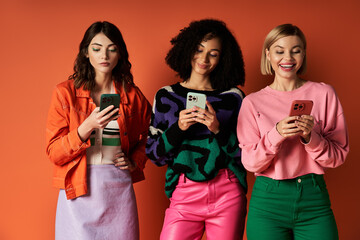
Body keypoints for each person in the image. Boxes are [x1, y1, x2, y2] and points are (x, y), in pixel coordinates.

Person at [236, 23, 349, 240]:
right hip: (268, 202)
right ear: (268, 54)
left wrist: (310, 137)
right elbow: (250, 163)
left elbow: (338, 155)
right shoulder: (252, 102)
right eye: (279, 51)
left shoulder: (324, 93)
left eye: (295, 50)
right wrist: (276, 134)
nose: (287, 58)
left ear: (303, 53)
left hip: (313, 198)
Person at [45, 21, 151, 240]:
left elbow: (152, 135)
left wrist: (135, 161)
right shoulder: (65, 93)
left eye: (112, 49)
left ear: (120, 54)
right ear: (86, 52)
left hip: (118, 189)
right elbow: (54, 152)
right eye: (97, 48)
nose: (105, 55)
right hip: (78, 188)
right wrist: (87, 127)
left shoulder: (132, 95)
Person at [146, 19, 247, 240]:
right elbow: (154, 155)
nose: (204, 58)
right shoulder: (166, 96)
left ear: (223, 58)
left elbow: (247, 154)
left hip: (226, 190)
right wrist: (178, 128)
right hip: (184, 192)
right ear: (188, 48)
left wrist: (217, 129)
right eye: (199, 49)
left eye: (213, 53)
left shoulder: (233, 98)